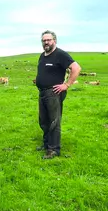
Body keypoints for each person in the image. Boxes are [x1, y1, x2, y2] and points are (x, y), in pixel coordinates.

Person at [35, 30, 81, 159]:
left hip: (54, 93)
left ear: (54, 40)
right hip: (42, 92)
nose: (46, 42)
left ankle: (54, 149)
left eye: (48, 40)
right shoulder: (42, 55)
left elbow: (76, 68)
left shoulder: (60, 54)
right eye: (44, 40)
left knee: (54, 121)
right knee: (44, 120)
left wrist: (66, 85)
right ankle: (46, 144)